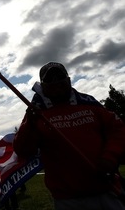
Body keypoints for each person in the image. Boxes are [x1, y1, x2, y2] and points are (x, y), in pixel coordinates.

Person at [13, 61, 125, 210]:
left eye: (59, 76)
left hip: (106, 190)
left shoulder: (89, 103)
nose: (55, 82)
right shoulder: (36, 113)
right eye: (49, 79)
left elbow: (117, 129)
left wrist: (110, 158)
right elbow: (22, 150)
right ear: (42, 85)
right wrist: (30, 125)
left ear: (68, 79)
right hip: (68, 199)